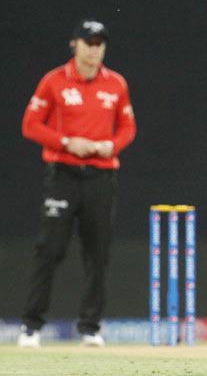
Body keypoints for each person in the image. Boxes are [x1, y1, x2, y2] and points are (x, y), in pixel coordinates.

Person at [18, 19, 136, 348]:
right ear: (75, 45)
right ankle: (31, 325)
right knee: (49, 249)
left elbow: (128, 128)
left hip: (101, 176)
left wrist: (111, 146)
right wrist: (67, 142)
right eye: (89, 42)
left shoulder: (116, 84)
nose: (95, 49)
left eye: (100, 43)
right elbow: (30, 125)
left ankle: (90, 327)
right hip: (63, 175)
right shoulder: (54, 81)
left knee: (97, 254)